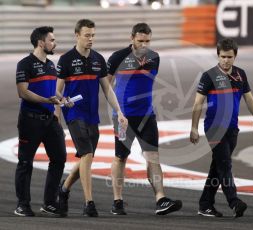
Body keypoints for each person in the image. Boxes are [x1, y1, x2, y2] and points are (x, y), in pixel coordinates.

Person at [107, 22, 182, 215]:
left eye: (147, 41)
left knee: (153, 157)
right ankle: (117, 201)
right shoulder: (117, 57)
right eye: (140, 41)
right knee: (121, 157)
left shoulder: (154, 58)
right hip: (123, 117)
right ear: (131, 38)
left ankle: (161, 199)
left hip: (146, 115)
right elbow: (106, 85)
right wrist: (117, 112)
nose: (143, 45)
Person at [56, 19, 127, 217]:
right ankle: (89, 202)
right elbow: (57, 92)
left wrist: (119, 112)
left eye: (93, 35)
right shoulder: (66, 59)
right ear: (77, 35)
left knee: (86, 157)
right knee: (87, 154)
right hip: (74, 114)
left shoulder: (98, 59)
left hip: (92, 116)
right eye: (87, 35)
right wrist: (60, 107)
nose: (91, 39)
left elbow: (107, 89)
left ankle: (64, 189)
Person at [190, 38, 253, 218]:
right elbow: (198, 103)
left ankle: (205, 204)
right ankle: (234, 201)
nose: (226, 60)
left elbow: (249, 97)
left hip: (232, 128)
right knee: (225, 164)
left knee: (218, 166)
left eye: (229, 57)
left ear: (235, 56)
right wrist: (194, 128)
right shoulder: (208, 76)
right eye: (222, 56)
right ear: (218, 55)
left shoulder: (240, 75)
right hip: (214, 127)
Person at [14, 26, 67, 217]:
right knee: (25, 162)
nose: (55, 43)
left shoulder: (51, 65)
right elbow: (23, 92)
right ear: (40, 42)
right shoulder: (25, 64)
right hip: (30, 121)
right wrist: (47, 101)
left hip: (50, 121)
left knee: (59, 159)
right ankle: (22, 204)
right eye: (51, 40)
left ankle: (49, 202)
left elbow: (53, 90)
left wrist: (62, 98)